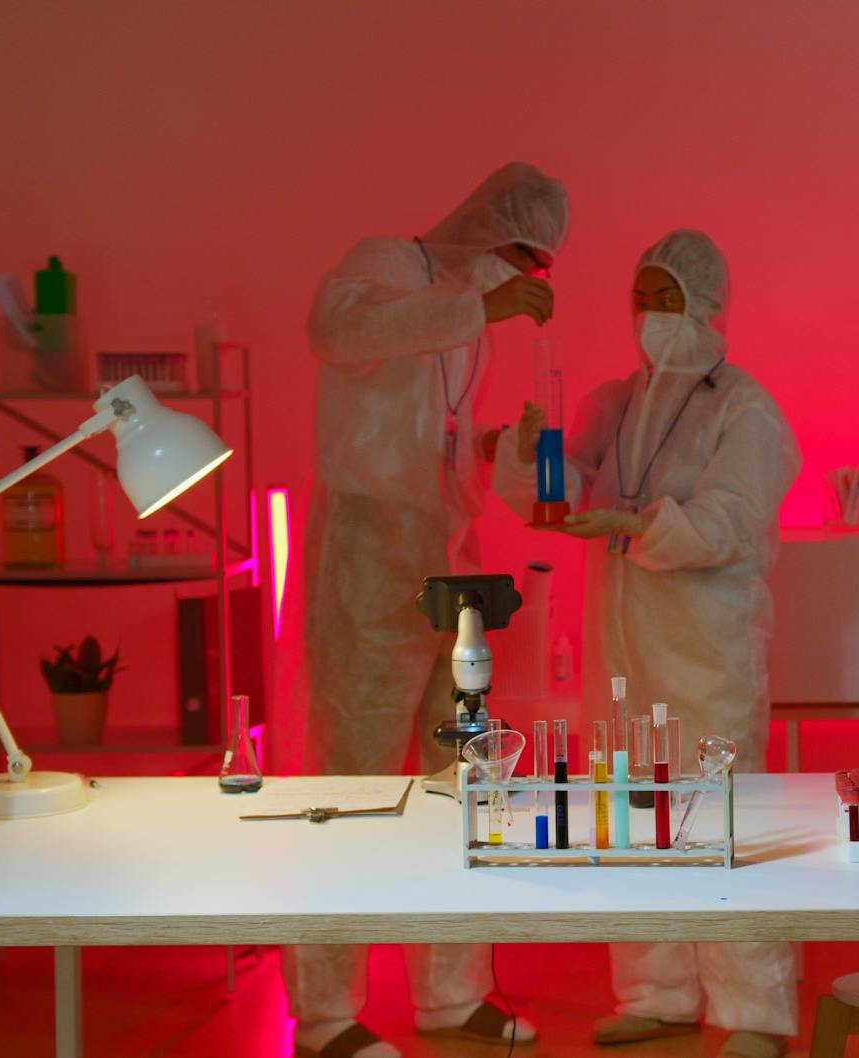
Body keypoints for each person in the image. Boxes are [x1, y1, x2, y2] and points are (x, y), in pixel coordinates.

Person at [494, 230, 802, 1058]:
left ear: (706, 304)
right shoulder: (616, 401)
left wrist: (640, 525)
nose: (652, 316)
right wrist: (526, 455)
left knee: (718, 823)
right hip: (623, 649)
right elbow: (556, 489)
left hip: (706, 649)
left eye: (667, 299)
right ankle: (658, 993)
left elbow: (733, 521)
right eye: (643, 299)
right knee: (631, 816)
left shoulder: (745, 408)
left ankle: (753, 1013)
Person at [292, 162, 568, 1058]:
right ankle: (327, 1012)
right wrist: (474, 311)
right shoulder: (388, 266)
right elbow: (335, 331)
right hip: (369, 559)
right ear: (488, 232)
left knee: (463, 784)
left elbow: (431, 435)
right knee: (353, 785)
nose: (526, 276)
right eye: (522, 255)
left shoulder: (467, 324)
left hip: (446, 556)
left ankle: (452, 993)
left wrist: (492, 447)